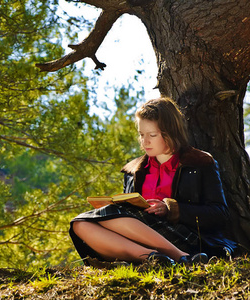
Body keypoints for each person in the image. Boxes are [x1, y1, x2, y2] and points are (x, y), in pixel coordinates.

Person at [69, 96, 237, 266]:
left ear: (171, 132)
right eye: (141, 134)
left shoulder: (200, 162)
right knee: (79, 225)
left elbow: (220, 215)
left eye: (152, 135)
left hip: (186, 237)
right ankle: (153, 258)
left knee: (115, 214)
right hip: (139, 238)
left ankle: (181, 257)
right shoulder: (133, 170)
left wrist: (171, 209)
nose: (145, 141)